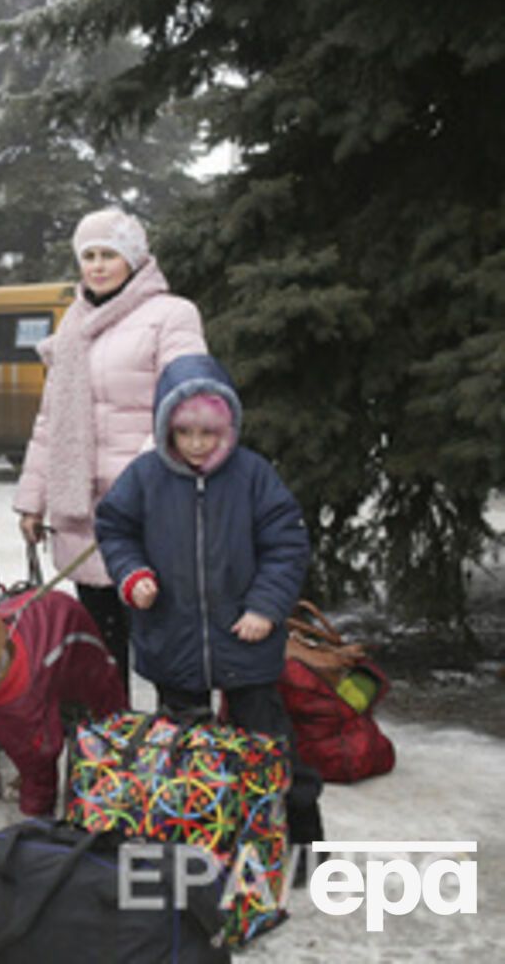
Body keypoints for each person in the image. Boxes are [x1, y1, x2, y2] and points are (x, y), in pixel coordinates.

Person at [94, 352, 324, 850]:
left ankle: (300, 833)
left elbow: (286, 545)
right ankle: (196, 831)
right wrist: (132, 575)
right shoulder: (145, 477)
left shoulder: (253, 476)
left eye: (208, 434)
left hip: (246, 638)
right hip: (172, 638)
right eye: (184, 433)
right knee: (182, 746)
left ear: (229, 428)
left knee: (269, 740)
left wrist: (266, 606)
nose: (197, 446)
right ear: (166, 429)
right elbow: (115, 529)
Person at [14, 207, 206, 703]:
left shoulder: (172, 315)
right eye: (89, 256)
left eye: (109, 255)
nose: (97, 266)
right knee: (100, 650)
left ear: (135, 258)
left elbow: (185, 402)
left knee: (164, 639)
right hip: (81, 511)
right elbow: (49, 420)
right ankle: (108, 751)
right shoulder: (73, 324)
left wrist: (141, 477)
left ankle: (179, 744)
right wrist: (32, 500)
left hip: (146, 507)